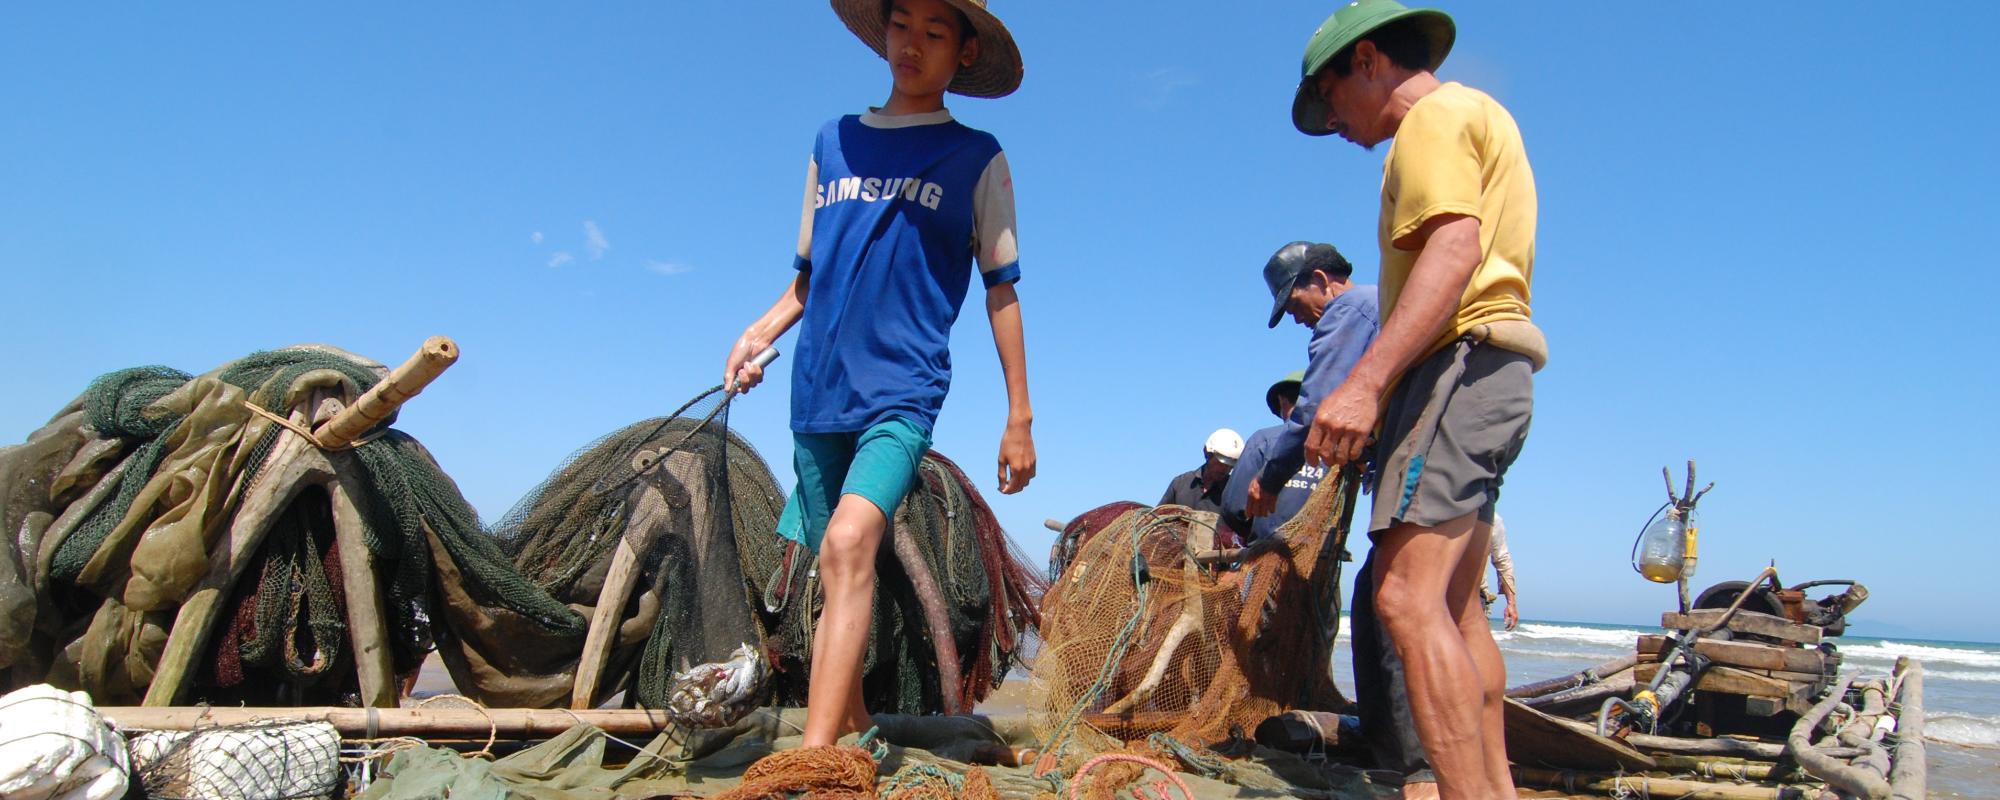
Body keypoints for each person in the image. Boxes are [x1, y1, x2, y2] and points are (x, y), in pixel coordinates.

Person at [723, 0, 1036, 749]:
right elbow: (806, 279)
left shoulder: (976, 156)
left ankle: (811, 761)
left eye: (937, 31)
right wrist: (755, 336)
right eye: (903, 25)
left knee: (847, 542)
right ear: (883, 31)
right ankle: (860, 729)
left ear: (963, 52)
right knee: (833, 574)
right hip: (815, 392)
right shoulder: (832, 143)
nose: (913, 44)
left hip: (902, 391)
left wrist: (1018, 415)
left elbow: (1002, 288)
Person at [1290, 2, 1546, 797]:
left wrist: (1366, 384)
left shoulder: (1432, 119)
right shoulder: (1478, 114)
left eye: (1330, 98)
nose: (1332, 121)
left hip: (1457, 368)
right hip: (1494, 370)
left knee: (1402, 596)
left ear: (1368, 61)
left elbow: (1454, 246)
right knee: (1457, 609)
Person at [1240, 242, 1378, 523]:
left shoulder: (1346, 310)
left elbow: (1314, 408)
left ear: (1320, 280)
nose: (1297, 319)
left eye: (1294, 305)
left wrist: (1269, 479)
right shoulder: (1379, 301)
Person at [1222, 372, 1325, 543]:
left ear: (1282, 400)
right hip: (1322, 556)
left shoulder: (1263, 440)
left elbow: (1234, 508)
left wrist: (1255, 534)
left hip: (1267, 552)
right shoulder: (1336, 450)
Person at [1159, 428, 1247, 542]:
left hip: (1217, 558)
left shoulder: (1234, 492)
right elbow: (1158, 519)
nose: (1226, 469)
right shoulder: (1180, 483)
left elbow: (1243, 533)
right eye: (1221, 463)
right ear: (1207, 454)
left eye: (1231, 465)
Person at [1482, 514, 1519, 631]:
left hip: (1475, 601)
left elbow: (1502, 560)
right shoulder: (1432, 507)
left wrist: (1511, 603)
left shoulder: (1490, 517)